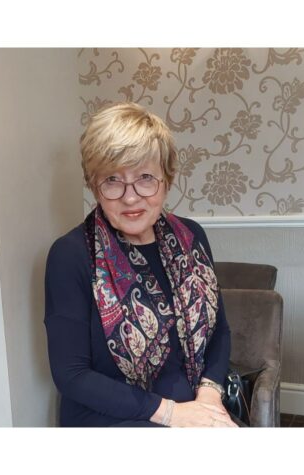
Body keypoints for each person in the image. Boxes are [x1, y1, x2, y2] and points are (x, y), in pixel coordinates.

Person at [44, 102, 240, 427]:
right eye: (112, 180)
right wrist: (172, 414)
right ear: (94, 185)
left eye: (145, 178)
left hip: (192, 408)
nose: (131, 197)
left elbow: (219, 330)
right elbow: (72, 376)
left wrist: (208, 395)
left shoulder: (192, 237)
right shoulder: (71, 255)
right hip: (110, 420)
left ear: (167, 179)